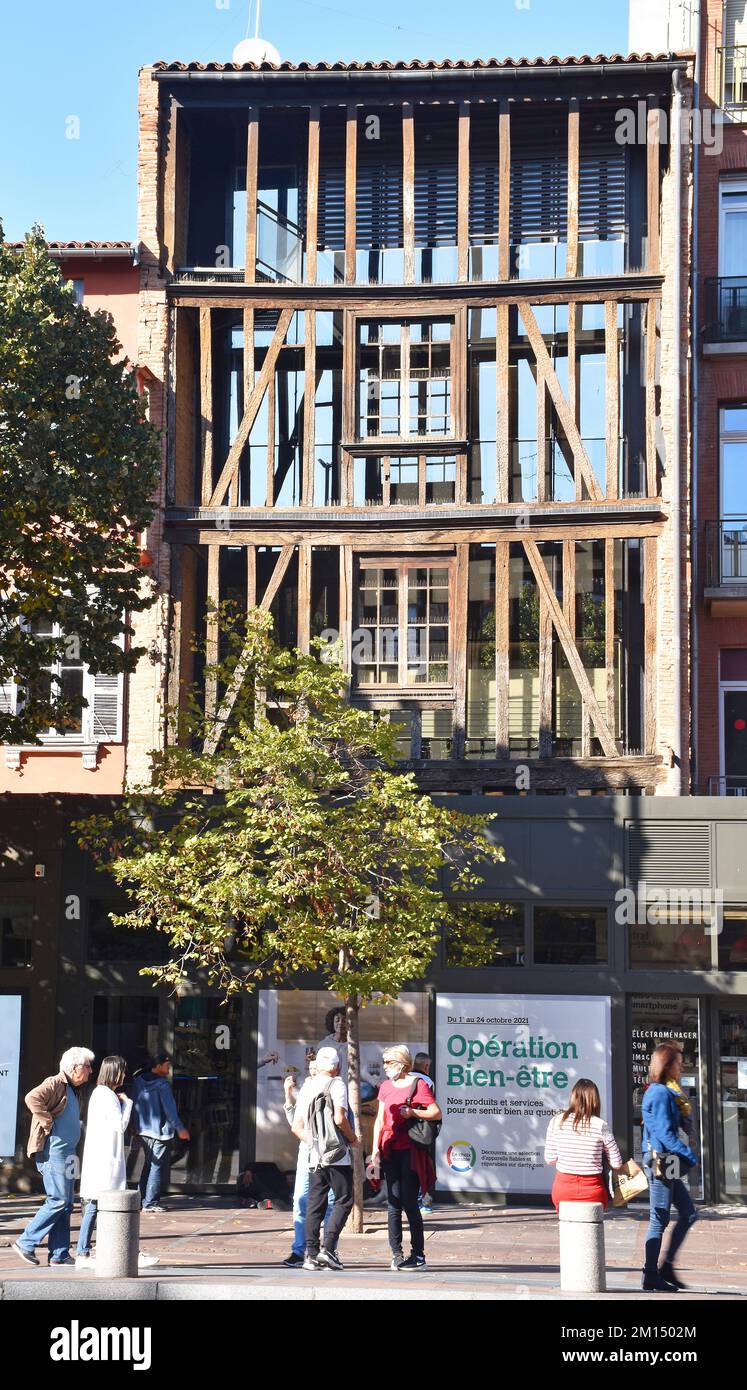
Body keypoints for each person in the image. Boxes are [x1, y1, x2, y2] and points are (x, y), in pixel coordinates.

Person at [13, 1046, 94, 1267]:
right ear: (74, 1067)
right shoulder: (55, 1082)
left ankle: (59, 1254)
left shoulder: (75, 1090)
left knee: (66, 1204)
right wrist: (47, 1122)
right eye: (87, 1066)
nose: (90, 1071)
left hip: (68, 1153)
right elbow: (32, 1098)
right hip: (54, 1153)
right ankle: (25, 1242)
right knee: (57, 1200)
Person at [75, 1055, 159, 1271]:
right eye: (122, 1070)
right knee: (111, 1206)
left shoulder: (98, 1094)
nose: (125, 1074)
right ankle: (124, 1252)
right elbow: (120, 1126)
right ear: (114, 1072)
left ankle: (85, 1252)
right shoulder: (108, 1096)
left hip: (101, 1160)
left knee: (95, 1206)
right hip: (106, 1162)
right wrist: (128, 1103)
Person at [371, 1045, 442, 1272]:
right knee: (393, 1204)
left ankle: (418, 1255)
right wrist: (374, 1149)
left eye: (389, 1063)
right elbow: (380, 1120)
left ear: (402, 1063)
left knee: (410, 1203)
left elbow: (435, 1112)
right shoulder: (385, 1087)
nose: (385, 1067)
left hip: (410, 1150)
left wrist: (413, 1113)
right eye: (384, 1063)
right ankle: (396, 1253)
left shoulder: (417, 1084)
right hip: (390, 1149)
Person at [291, 1046, 357, 1271]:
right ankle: (328, 1249)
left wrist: (313, 1145)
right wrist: (352, 1138)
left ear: (318, 1066)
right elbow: (340, 1118)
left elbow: (296, 1127)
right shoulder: (337, 1084)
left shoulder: (307, 1086)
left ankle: (310, 1255)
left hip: (314, 1156)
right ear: (337, 1066)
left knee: (314, 1203)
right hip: (337, 1155)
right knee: (345, 1199)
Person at [641, 1042, 698, 1292]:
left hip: (666, 1162)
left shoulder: (665, 1091)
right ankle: (651, 1274)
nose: (681, 1065)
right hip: (661, 1162)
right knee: (659, 1219)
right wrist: (691, 1156)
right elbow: (664, 1133)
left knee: (688, 1213)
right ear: (666, 1064)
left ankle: (665, 1267)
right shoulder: (661, 1093)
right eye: (678, 1062)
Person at [281, 1057, 334, 1267]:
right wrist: (288, 1096)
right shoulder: (305, 1091)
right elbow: (295, 1124)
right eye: (311, 1069)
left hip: (329, 1152)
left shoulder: (334, 1089)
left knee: (330, 1202)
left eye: (316, 1069)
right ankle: (299, 1249)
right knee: (301, 1198)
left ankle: (328, 1249)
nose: (313, 1073)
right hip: (307, 1150)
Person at [544, 1078, 622, 1211]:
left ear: (573, 1097)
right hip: (593, 1191)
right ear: (595, 1100)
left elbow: (550, 1159)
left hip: (563, 1191)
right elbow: (617, 1163)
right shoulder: (601, 1125)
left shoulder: (556, 1121)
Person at [131, 1052, 190, 1213]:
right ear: (157, 1066)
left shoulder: (138, 1082)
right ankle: (150, 1203)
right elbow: (170, 1111)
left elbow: (134, 1106)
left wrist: (135, 1127)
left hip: (143, 1130)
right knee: (156, 1167)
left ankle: (140, 1199)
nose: (169, 1068)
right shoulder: (162, 1085)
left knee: (148, 1164)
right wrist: (180, 1129)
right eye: (167, 1065)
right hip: (160, 1132)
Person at [412, 1052, 435, 1213]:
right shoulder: (426, 1081)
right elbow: (431, 1108)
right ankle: (421, 1201)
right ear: (426, 1066)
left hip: (401, 1130)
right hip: (420, 1130)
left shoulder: (403, 1078)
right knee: (421, 1165)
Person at [317, 1007, 347, 1082]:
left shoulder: (354, 1045)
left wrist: (375, 1082)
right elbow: (317, 1068)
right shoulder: (323, 1045)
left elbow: (362, 1070)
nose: (340, 1023)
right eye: (337, 1020)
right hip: (327, 1087)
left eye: (344, 1020)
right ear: (332, 1022)